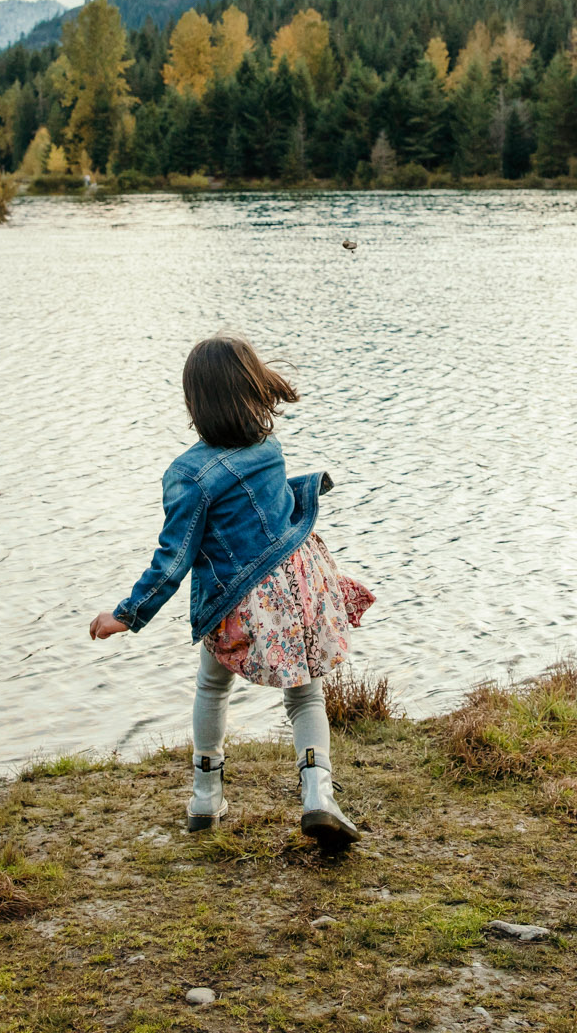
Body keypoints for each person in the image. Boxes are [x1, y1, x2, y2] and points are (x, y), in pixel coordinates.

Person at [87, 336, 373, 849]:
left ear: (194, 402)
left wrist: (127, 614)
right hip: (295, 588)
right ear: (251, 389)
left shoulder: (187, 475)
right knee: (306, 695)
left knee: (211, 688)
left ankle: (204, 797)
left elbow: (172, 560)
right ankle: (318, 797)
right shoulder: (268, 449)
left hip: (237, 603)